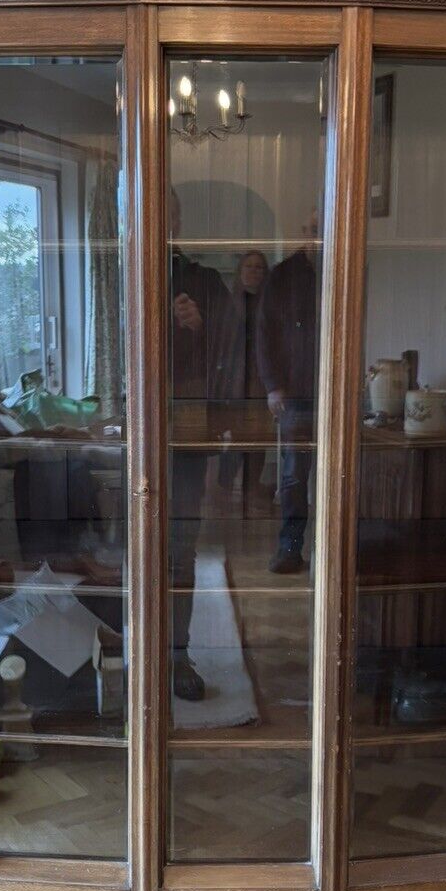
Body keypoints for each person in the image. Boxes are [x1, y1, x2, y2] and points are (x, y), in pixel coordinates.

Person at [168, 191, 230, 701]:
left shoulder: (205, 283)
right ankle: (123, 649)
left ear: (177, 217)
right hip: (126, 432)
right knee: (116, 554)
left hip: (184, 433)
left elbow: (236, 350)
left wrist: (200, 328)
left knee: (179, 552)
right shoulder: (112, 278)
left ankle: (175, 654)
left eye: (167, 209)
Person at [258, 217, 318, 574]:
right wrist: (273, 386)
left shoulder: (343, 268)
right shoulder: (283, 276)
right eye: (312, 230)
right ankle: (290, 550)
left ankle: (333, 553)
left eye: (323, 229)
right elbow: (264, 334)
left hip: (334, 393)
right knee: (295, 476)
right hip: (295, 394)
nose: (318, 237)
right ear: (304, 234)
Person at [216, 250, 269, 518]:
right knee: (235, 442)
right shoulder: (230, 302)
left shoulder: (270, 303)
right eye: (249, 266)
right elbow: (222, 346)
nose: (254, 271)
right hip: (235, 383)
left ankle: (251, 491)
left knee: (258, 442)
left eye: (259, 267)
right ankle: (224, 490)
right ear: (240, 270)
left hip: (261, 383)